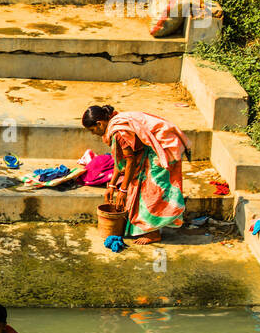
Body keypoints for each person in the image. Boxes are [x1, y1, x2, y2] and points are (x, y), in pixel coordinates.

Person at [81, 104, 189, 244]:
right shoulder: (114, 125)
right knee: (138, 184)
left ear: (99, 124)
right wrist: (112, 185)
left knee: (151, 189)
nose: (93, 133)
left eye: (92, 130)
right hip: (152, 146)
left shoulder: (118, 133)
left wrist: (123, 189)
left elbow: (130, 161)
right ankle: (148, 226)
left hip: (164, 146)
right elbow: (120, 163)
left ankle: (154, 232)